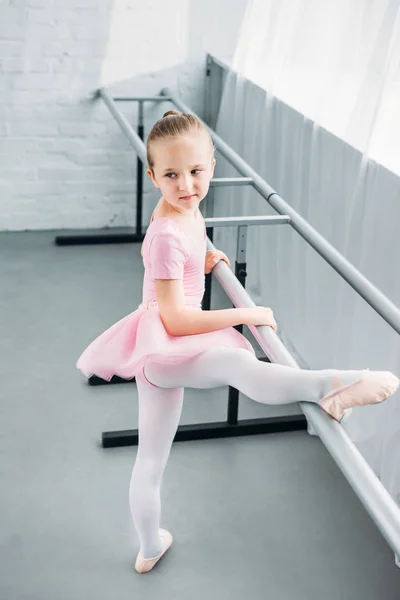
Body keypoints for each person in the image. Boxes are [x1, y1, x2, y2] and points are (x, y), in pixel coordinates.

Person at [77, 110, 399, 574]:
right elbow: (177, 316)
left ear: (212, 166)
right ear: (152, 177)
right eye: (171, 175)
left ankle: (150, 547)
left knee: (151, 459)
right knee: (234, 366)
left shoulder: (185, 209)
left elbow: (182, 247)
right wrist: (247, 313)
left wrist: (203, 258)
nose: (186, 185)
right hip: (165, 344)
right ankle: (331, 384)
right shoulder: (167, 230)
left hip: (162, 349)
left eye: (195, 172)